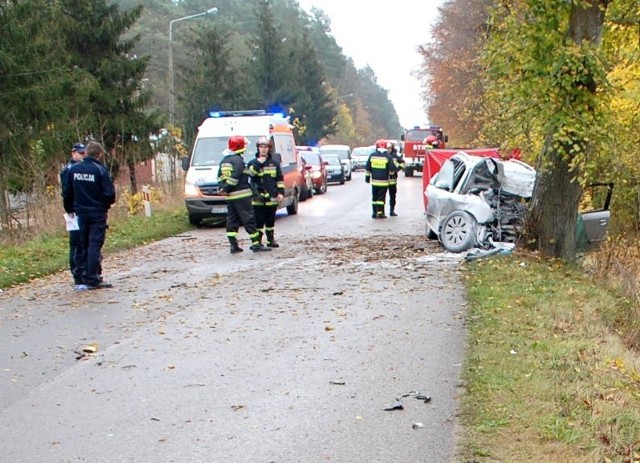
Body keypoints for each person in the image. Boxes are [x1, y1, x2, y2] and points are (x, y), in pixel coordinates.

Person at [62, 141, 116, 291]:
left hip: (80, 212)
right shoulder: (100, 170)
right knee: (95, 244)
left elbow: (67, 192)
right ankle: (93, 278)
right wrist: (105, 204)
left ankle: (84, 275)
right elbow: (110, 194)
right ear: (99, 154)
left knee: (84, 243)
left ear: (86, 153)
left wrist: (69, 208)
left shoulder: (74, 170)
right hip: (97, 212)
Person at [218, 135, 271, 253]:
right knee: (249, 219)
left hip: (230, 197)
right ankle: (256, 244)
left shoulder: (224, 160)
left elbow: (220, 177)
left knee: (232, 220)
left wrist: (222, 188)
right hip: (242, 196)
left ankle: (233, 245)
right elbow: (236, 177)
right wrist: (227, 187)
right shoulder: (238, 161)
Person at [247, 136, 284, 247]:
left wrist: (281, 193)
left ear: (269, 148)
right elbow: (250, 175)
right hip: (258, 198)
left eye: (266, 147)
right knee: (258, 221)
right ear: (258, 148)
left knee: (270, 220)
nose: (263, 149)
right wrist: (259, 163)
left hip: (272, 197)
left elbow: (279, 179)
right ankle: (257, 242)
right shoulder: (252, 163)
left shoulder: (274, 164)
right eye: (261, 147)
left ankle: (270, 240)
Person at [60, 143, 86, 285]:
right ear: (73, 153)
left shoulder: (80, 168)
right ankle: (77, 272)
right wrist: (69, 209)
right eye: (80, 153)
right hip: (74, 212)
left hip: (81, 209)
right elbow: (66, 192)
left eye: (84, 153)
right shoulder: (68, 170)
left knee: (83, 241)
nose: (83, 156)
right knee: (76, 243)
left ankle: (84, 270)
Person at [365, 139, 397, 219]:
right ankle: (380, 213)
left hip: (374, 182)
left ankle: (374, 213)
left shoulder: (372, 155)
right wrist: (392, 175)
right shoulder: (388, 156)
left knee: (374, 198)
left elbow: (367, 168)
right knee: (381, 198)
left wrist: (367, 178)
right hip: (383, 182)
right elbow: (392, 168)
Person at [386, 140, 405, 217]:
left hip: (393, 180)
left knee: (392, 196)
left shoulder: (395, 156)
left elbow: (402, 163)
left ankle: (392, 210)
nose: (388, 149)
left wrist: (397, 169)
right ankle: (381, 211)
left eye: (390, 148)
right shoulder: (383, 155)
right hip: (383, 179)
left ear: (392, 148)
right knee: (381, 197)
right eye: (387, 148)